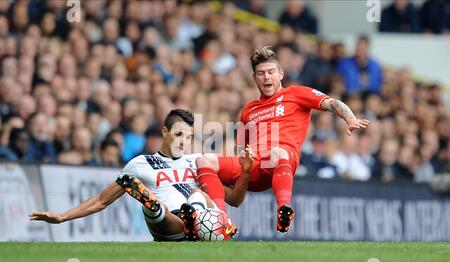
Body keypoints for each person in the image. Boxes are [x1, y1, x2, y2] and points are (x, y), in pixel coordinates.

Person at [195, 46, 370, 233]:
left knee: (278, 152)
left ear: (281, 74)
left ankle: (283, 209)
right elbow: (240, 150)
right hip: (254, 167)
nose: (266, 77)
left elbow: (332, 102)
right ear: (254, 78)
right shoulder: (248, 110)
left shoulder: (296, 94)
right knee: (203, 160)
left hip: (281, 162)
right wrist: (243, 166)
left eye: (271, 72)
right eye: (261, 73)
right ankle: (221, 219)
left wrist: (349, 118)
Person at [30, 109, 253, 241]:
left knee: (197, 194)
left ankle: (200, 219)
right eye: (178, 134)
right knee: (156, 207)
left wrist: (244, 173)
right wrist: (62, 217)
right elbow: (100, 201)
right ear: (164, 132)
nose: (184, 141)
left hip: (201, 220)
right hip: (169, 226)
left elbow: (234, 199)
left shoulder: (196, 161)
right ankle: (160, 209)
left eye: (188, 135)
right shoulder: (140, 164)